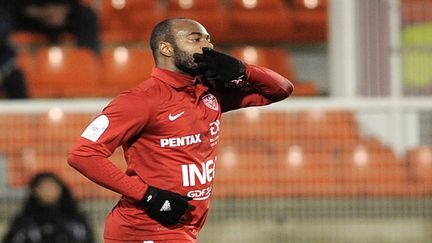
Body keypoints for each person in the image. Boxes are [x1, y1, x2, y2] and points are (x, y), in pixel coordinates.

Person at [67, 18, 294, 243]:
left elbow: (280, 90)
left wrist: (244, 70)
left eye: (208, 40)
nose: (207, 46)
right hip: (145, 230)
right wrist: (149, 196)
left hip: (181, 230)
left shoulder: (209, 92)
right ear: (166, 48)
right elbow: (83, 155)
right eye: (195, 39)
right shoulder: (141, 100)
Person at [0, 0, 100, 98]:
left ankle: (90, 66)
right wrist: (40, 11)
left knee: (87, 15)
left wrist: (62, 7)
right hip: (26, 12)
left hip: (64, 10)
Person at [2, 172, 95, 243]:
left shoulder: (75, 221)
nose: (48, 191)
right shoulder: (25, 222)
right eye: (43, 187)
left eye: (52, 187)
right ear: (34, 191)